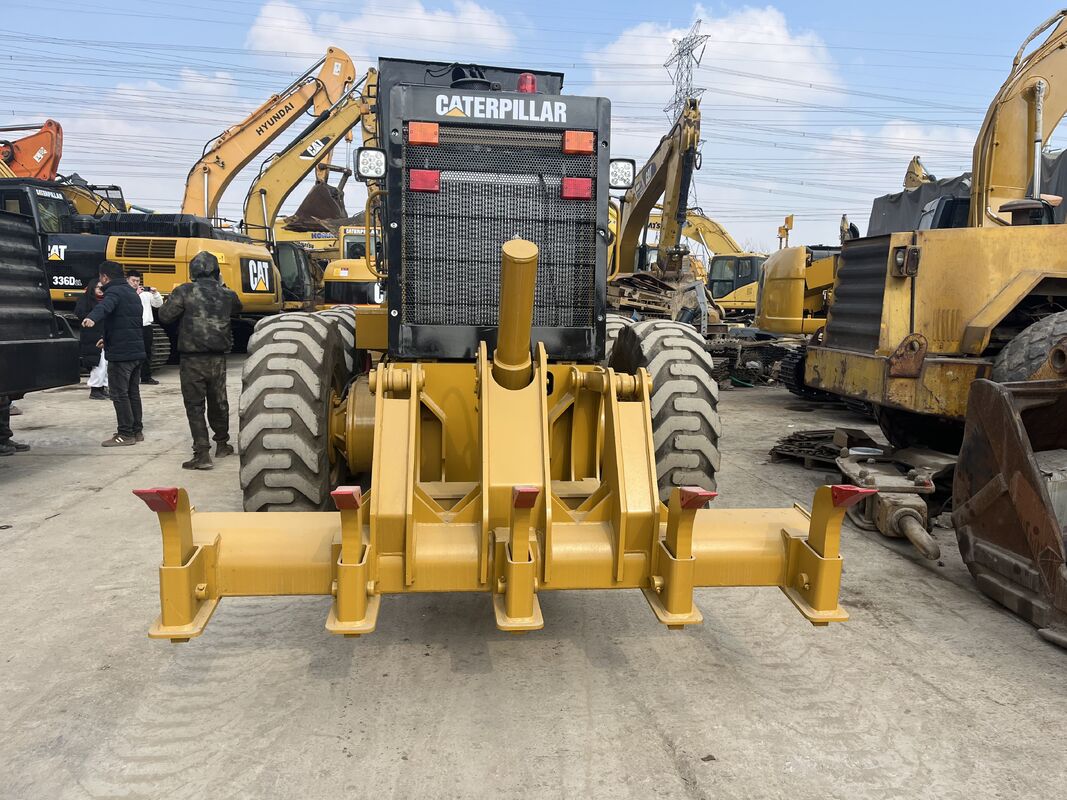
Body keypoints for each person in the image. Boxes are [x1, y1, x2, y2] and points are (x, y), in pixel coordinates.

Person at [159, 251, 242, 470]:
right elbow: (238, 309)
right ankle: (222, 443)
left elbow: (165, 316)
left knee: (195, 405)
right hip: (218, 359)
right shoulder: (228, 294)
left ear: (193, 272)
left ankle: (202, 454)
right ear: (217, 272)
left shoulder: (184, 292)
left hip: (191, 359)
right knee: (219, 401)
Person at [81, 261, 146, 446]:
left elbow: (105, 307)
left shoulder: (114, 292)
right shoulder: (132, 294)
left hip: (121, 354)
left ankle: (125, 434)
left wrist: (91, 318)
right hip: (135, 351)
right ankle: (137, 431)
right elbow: (124, 321)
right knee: (133, 393)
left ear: (104, 277)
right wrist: (106, 338)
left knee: (119, 394)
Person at [74, 279, 109, 400]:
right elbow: (80, 314)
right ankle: (95, 389)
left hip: (104, 336)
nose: (100, 290)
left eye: (102, 287)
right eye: (97, 287)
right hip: (92, 337)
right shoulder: (85, 300)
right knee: (97, 364)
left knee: (105, 364)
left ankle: (103, 387)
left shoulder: (107, 301)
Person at [127, 270, 163, 385]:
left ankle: (146, 376)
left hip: (146, 326)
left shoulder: (145, 294)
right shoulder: (125, 292)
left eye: (137, 281)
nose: (135, 283)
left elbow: (158, 304)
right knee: (131, 352)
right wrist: (135, 294)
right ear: (127, 280)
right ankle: (131, 377)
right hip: (132, 326)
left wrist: (155, 293)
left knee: (147, 352)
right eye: (133, 280)